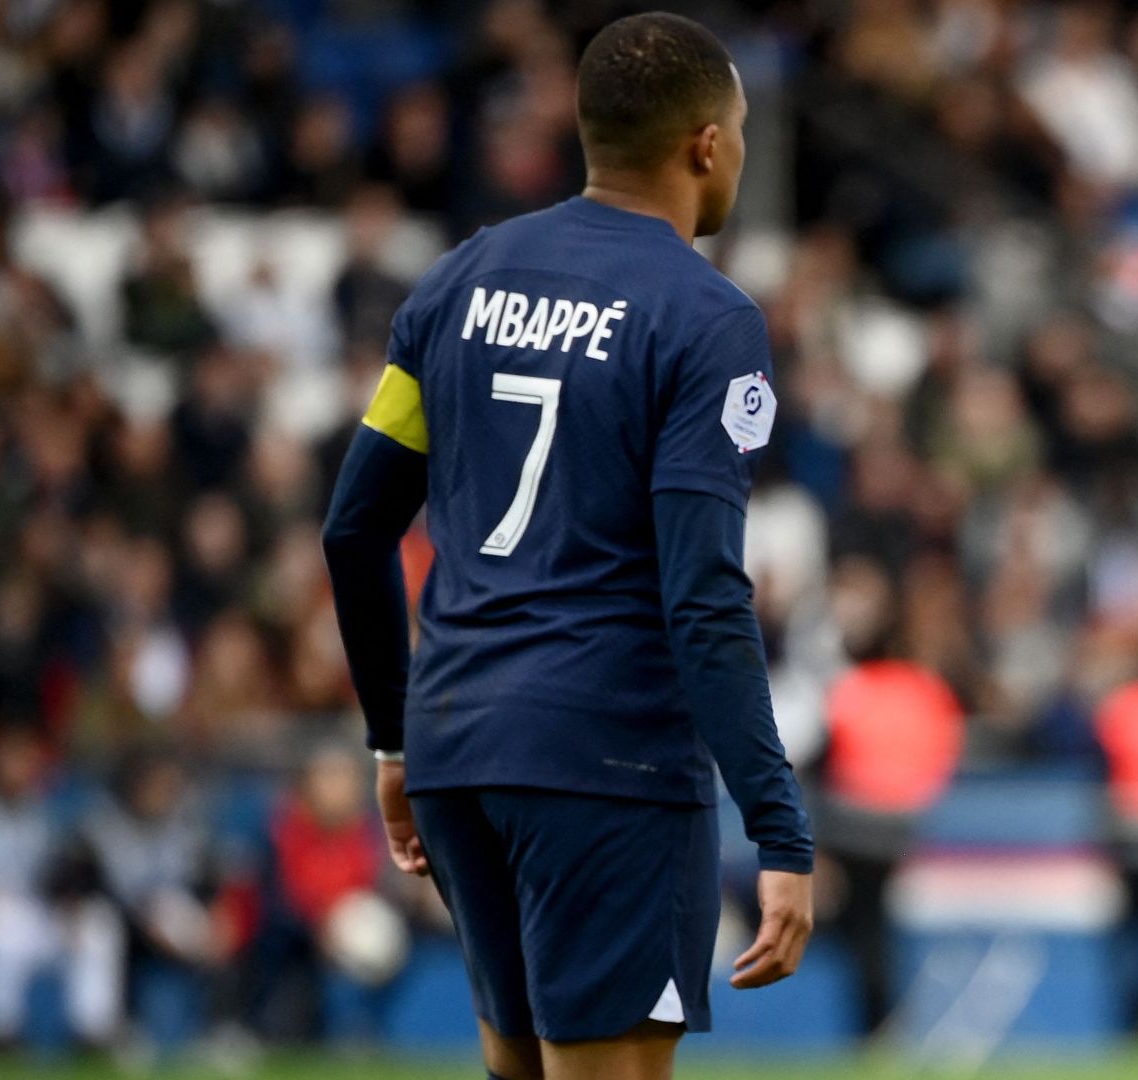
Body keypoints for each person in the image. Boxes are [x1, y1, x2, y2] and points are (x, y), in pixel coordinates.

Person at [321, 14, 814, 1080]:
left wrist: (393, 743)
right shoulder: (706, 317)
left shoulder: (458, 281)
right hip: (606, 757)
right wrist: (779, 829)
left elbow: (354, 528)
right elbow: (703, 592)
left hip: (458, 749)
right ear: (707, 145)